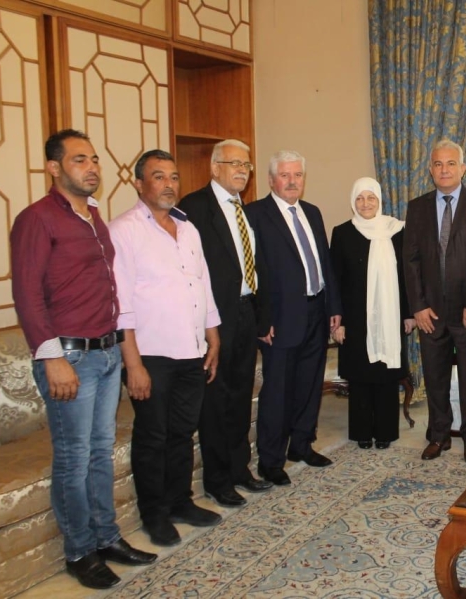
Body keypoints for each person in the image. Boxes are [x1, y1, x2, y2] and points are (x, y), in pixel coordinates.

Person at [10, 129, 155, 590]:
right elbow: (27, 295)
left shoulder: (93, 216)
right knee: (74, 458)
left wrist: (121, 350)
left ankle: (106, 537)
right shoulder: (37, 219)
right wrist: (51, 357)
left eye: (94, 159)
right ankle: (79, 551)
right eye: (79, 160)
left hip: (107, 352)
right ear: (54, 168)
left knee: (99, 454)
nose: (91, 167)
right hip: (69, 356)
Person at [111, 150, 223, 547]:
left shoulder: (188, 229)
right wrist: (133, 365)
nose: (169, 184)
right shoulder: (123, 230)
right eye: (159, 176)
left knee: (182, 432)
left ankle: (180, 501)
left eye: (174, 177)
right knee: (153, 436)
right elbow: (120, 304)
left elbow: (202, 284)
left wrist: (212, 334)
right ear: (139, 184)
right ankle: (154, 514)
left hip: (192, 349)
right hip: (151, 355)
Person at [178, 140, 273, 509]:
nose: (242, 171)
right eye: (235, 164)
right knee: (216, 401)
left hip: (245, 313)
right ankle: (217, 481)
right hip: (214, 318)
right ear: (215, 167)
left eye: (246, 165)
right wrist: (204, 323)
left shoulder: (241, 208)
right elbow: (188, 270)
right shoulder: (194, 207)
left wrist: (262, 316)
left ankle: (239, 469)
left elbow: (254, 266)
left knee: (240, 396)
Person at [245, 150, 342, 486]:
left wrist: (334, 307)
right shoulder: (255, 214)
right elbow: (251, 273)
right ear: (271, 180)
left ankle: (301, 445)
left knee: (309, 385)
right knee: (277, 391)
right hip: (280, 317)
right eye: (285, 175)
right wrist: (262, 319)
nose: (291, 181)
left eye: (297, 175)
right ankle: (271, 460)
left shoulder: (312, 212)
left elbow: (324, 263)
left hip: (316, 311)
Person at [403, 139, 466, 464]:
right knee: (435, 376)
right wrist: (417, 306)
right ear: (430, 170)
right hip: (430, 312)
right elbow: (411, 261)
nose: (444, 170)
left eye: (451, 163)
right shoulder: (417, 207)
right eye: (438, 164)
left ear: (463, 168)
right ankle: (439, 435)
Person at [330, 177, 416, 449]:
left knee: (386, 374)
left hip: (391, 315)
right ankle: (362, 433)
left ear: (379, 200)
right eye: (359, 198)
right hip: (355, 318)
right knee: (360, 374)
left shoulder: (397, 230)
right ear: (352, 202)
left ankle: (386, 432)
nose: (365, 203)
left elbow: (407, 276)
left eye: (371, 198)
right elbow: (334, 280)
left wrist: (409, 313)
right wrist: (338, 321)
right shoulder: (342, 233)